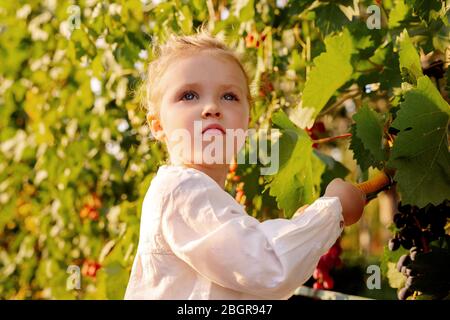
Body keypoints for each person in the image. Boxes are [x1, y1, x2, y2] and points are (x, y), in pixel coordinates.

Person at [124, 28, 366, 300]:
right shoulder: (181, 191)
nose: (211, 107)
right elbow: (268, 267)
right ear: (157, 125)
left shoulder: (198, 198)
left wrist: (301, 225)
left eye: (229, 96)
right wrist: (333, 210)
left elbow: (247, 284)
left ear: (247, 120)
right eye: (189, 95)